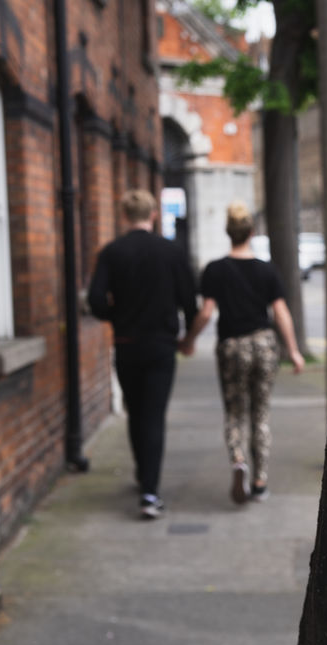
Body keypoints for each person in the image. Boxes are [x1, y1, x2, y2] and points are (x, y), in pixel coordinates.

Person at [179, 201, 304, 505]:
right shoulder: (266, 270)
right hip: (263, 344)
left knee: (235, 412)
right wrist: (293, 350)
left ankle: (238, 460)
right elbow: (280, 312)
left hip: (232, 347)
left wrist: (189, 340)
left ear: (228, 233)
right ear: (251, 231)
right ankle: (260, 481)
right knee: (260, 414)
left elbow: (207, 312)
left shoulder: (215, 269)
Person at [88, 188, 197, 520]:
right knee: (154, 416)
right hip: (162, 347)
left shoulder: (112, 252)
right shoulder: (172, 252)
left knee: (137, 413)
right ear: (153, 215)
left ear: (124, 216)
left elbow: (95, 301)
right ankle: (150, 491)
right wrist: (187, 337)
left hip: (126, 344)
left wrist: (116, 316)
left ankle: (142, 474)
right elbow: (189, 302)